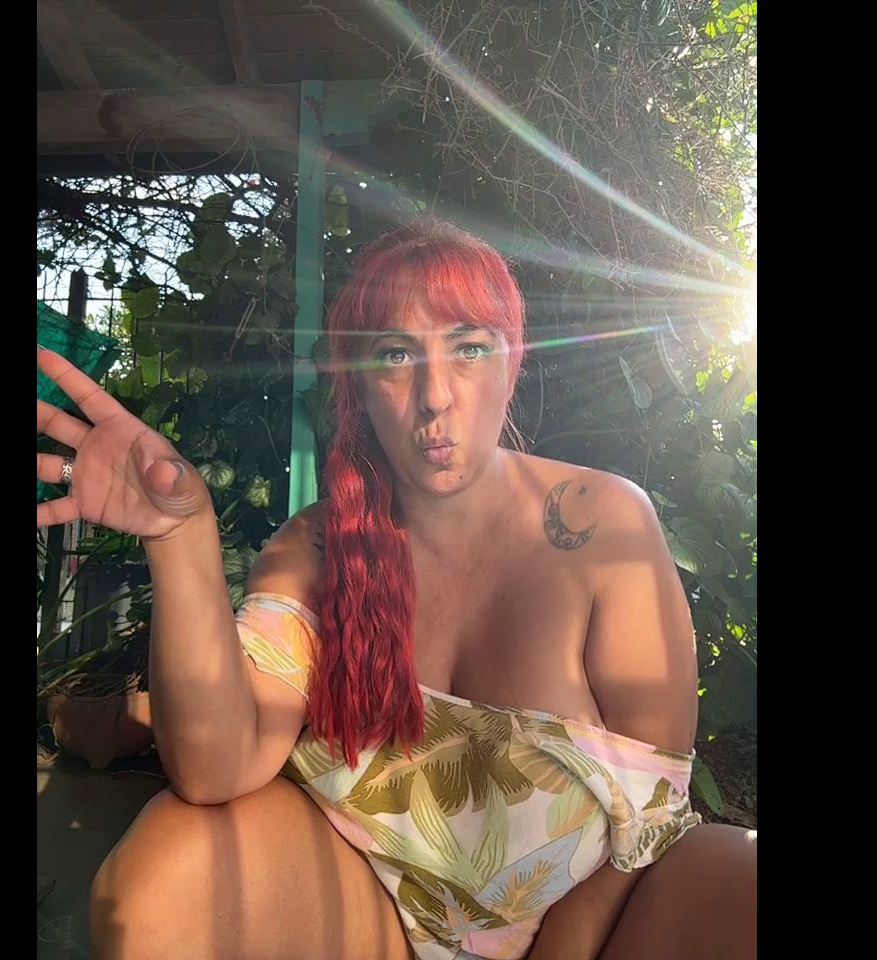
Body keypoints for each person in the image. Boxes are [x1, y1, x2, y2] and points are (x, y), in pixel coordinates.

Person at [37, 219, 756, 960]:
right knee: (161, 879)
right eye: (395, 354)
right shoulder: (316, 549)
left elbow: (652, 809)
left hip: (588, 927)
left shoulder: (601, 525)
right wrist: (179, 538)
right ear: (359, 386)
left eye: (469, 348)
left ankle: (113, 720)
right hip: (377, 905)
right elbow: (215, 767)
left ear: (512, 364)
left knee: (743, 875)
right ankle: (106, 721)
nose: (435, 396)